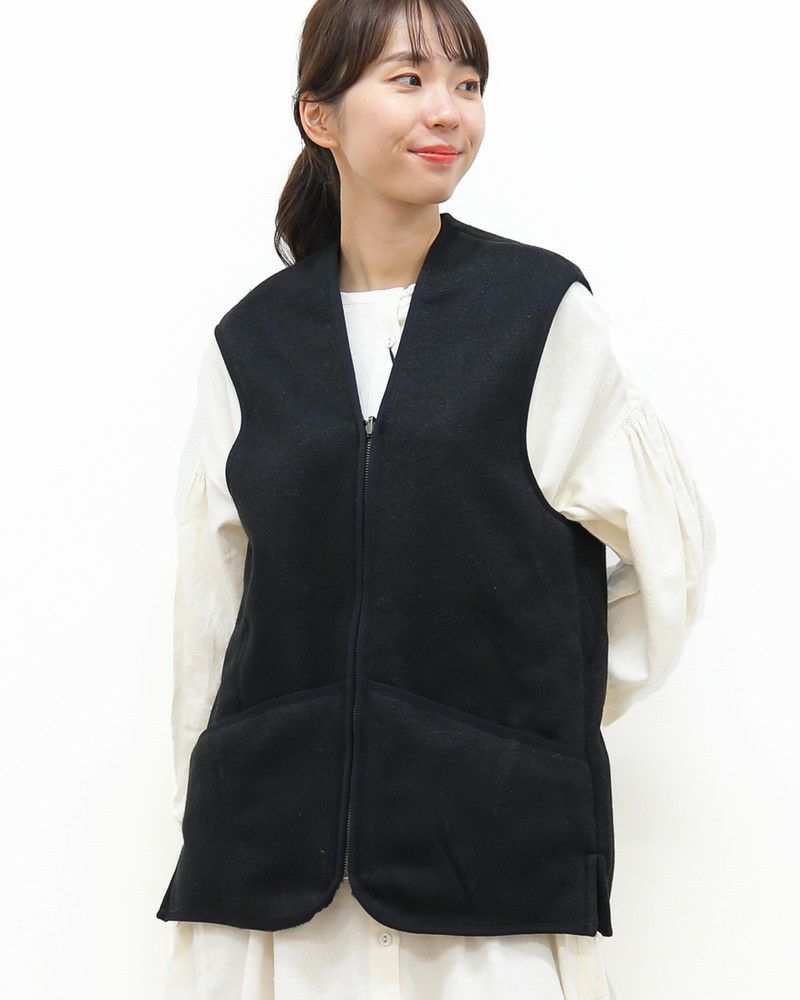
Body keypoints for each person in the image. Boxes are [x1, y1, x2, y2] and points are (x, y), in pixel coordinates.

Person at [159, 1, 716, 997]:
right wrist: (210, 792)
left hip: (487, 871)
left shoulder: (538, 313)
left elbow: (669, 556)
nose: (447, 111)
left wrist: (526, 714)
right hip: (275, 877)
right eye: (408, 79)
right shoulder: (250, 344)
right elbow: (210, 608)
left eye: (467, 84)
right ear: (320, 116)